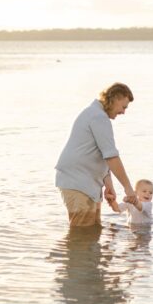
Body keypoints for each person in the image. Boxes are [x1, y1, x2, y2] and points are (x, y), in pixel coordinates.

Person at [55, 82, 138, 227]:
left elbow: (101, 154)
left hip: (87, 182)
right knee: (82, 234)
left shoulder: (95, 114)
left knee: (92, 232)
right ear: (116, 98)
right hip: (78, 182)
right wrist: (128, 188)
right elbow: (111, 156)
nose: (124, 112)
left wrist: (108, 185)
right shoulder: (98, 117)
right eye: (124, 107)